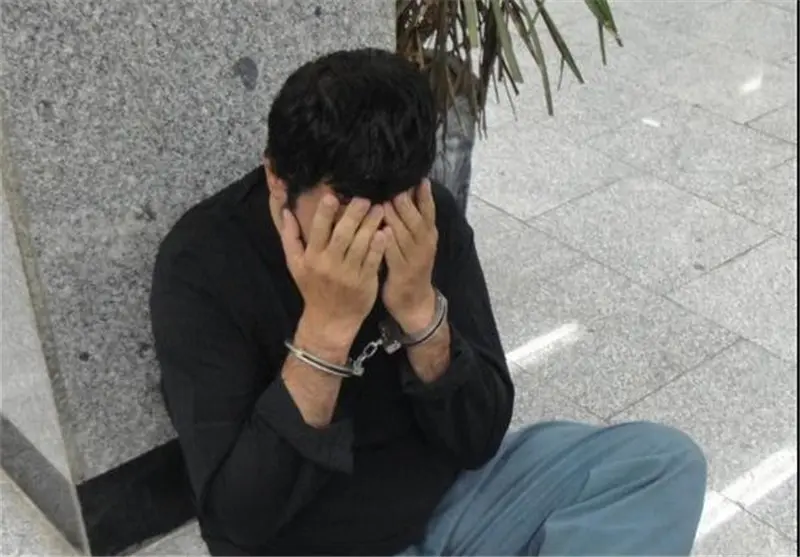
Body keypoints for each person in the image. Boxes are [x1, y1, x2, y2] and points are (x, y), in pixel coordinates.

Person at [149, 48, 707, 556]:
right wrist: (325, 332)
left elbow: (481, 436)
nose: (374, 237)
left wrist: (420, 313)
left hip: (456, 503)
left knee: (660, 464)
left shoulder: (424, 215)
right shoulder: (202, 263)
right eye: (346, 210)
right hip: (316, 542)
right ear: (278, 178)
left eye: (394, 204)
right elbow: (241, 518)